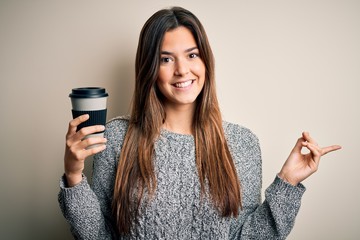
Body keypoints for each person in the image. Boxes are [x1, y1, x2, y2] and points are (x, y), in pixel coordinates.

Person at [58, 6, 341, 239]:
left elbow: (247, 237)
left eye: (192, 55)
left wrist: (288, 182)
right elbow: (97, 235)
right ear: (149, 70)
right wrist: (73, 175)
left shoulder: (241, 144)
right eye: (166, 59)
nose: (182, 70)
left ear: (206, 61)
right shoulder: (118, 137)